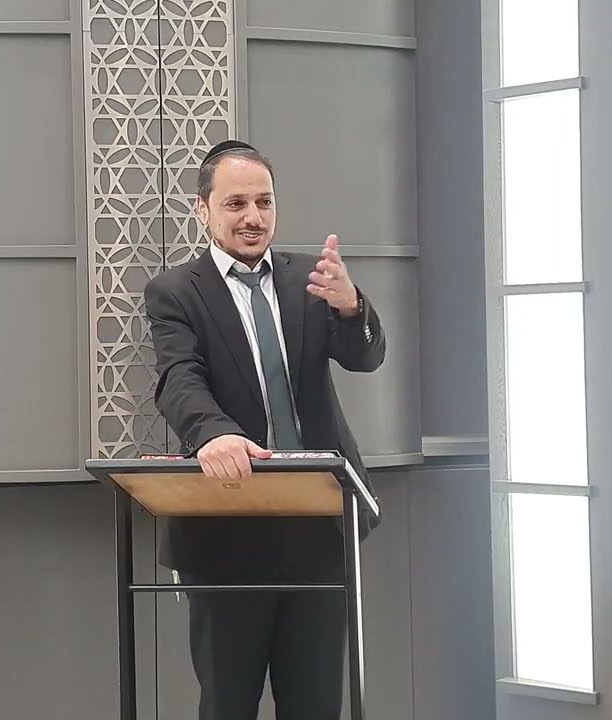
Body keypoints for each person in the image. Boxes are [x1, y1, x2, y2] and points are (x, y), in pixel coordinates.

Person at [143, 139, 386, 720]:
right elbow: (178, 378)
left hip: (318, 526)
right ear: (203, 209)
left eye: (264, 202)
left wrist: (351, 307)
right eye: (235, 204)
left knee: (316, 704)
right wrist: (212, 434)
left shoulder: (311, 279)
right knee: (229, 704)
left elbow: (365, 357)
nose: (253, 217)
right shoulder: (175, 292)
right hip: (226, 530)